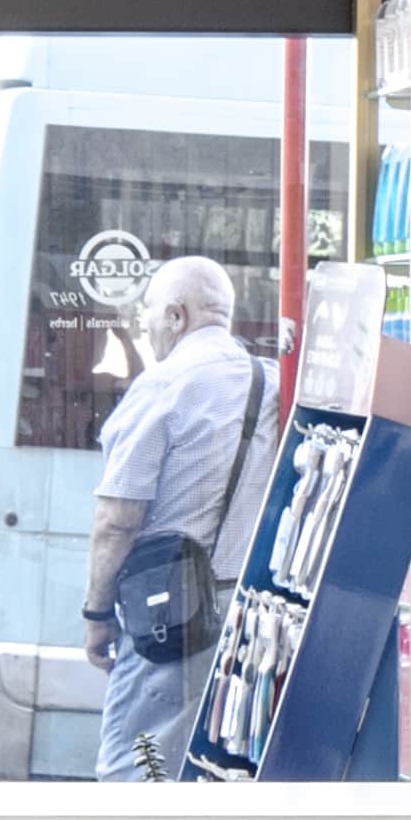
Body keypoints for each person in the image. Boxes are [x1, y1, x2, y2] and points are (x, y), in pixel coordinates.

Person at [77, 256, 267, 781]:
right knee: (216, 772)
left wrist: (97, 614)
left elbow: (117, 519)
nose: (145, 327)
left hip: (174, 618)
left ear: (176, 316)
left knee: (141, 769)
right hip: (251, 619)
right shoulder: (270, 382)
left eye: (149, 313)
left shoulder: (164, 385)